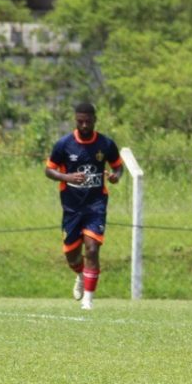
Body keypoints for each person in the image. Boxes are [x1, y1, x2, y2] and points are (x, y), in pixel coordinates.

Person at [44, 102, 122, 311]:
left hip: (96, 206)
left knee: (92, 249)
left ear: (95, 120)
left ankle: (88, 301)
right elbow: (49, 170)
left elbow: (118, 166)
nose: (84, 125)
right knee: (72, 256)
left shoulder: (106, 144)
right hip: (71, 208)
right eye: (80, 121)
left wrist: (116, 176)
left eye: (88, 121)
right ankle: (80, 274)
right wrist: (66, 177)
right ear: (75, 120)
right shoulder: (64, 144)